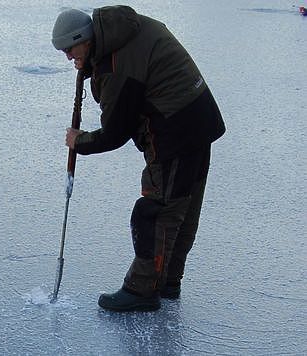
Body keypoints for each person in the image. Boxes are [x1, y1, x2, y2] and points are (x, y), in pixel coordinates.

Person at [51, 5, 226, 312]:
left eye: (70, 48)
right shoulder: (123, 31)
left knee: (155, 212)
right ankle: (168, 281)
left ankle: (143, 288)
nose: (68, 57)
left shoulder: (118, 67)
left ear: (86, 39)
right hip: (199, 119)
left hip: (174, 132)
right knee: (181, 206)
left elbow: (115, 132)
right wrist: (90, 66)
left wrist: (80, 141)